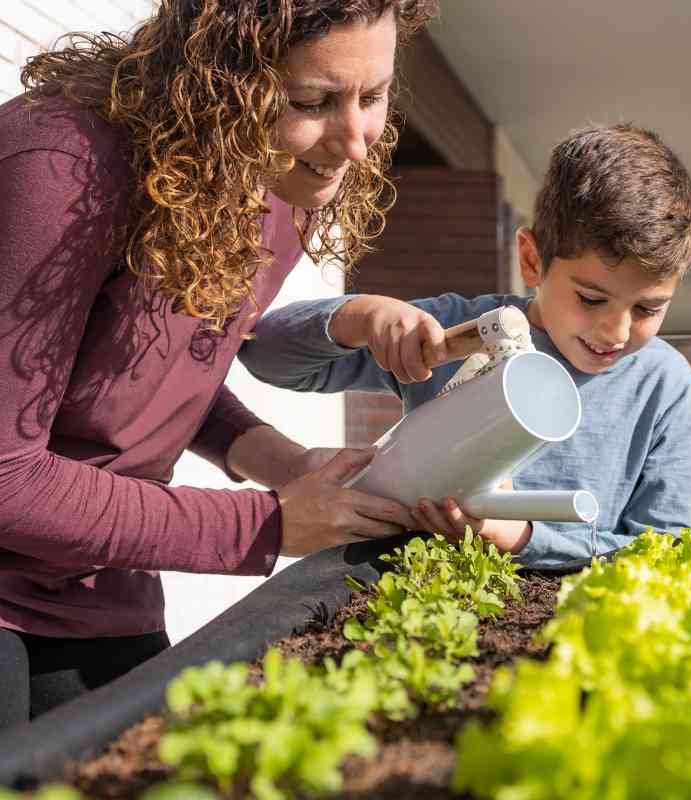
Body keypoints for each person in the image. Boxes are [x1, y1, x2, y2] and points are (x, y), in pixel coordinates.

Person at [0, 0, 437, 728]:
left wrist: (292, 468)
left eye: (373, 96)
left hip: (101, 591)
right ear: (218, 82)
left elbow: (155, 370)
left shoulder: (279, 181)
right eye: (312, 102)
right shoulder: (64, 170)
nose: (357, 141)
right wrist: (265, 525)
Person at [238, 124, 691, 567]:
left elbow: (670, 556)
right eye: (591, 299)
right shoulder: (461, 331)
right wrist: (360, 318)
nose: (618, 332)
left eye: (648, 310)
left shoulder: (665, 387)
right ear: (532, 260)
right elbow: (263, 355)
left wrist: (525, 539)